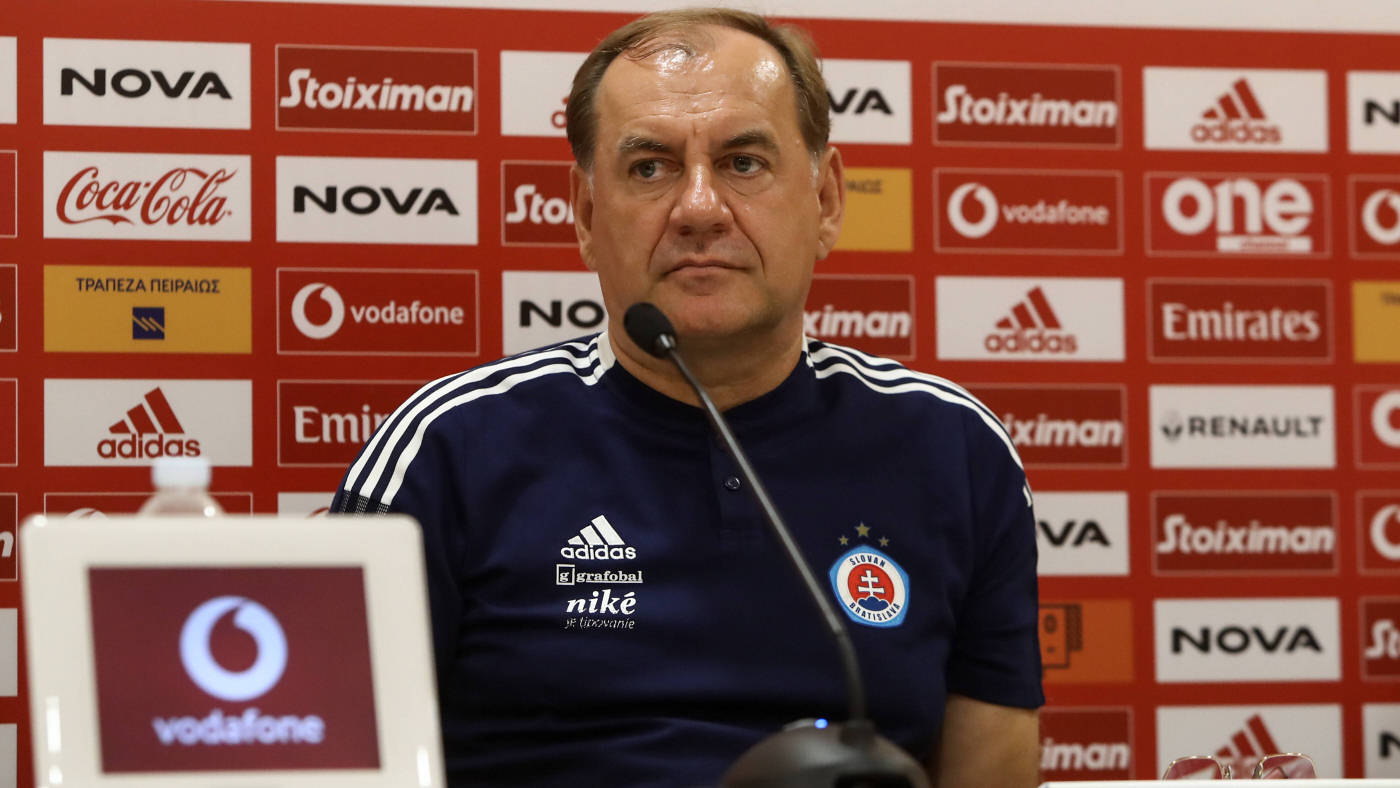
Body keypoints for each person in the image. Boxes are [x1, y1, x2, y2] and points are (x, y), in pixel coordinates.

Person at [333, 8, 1043, 785]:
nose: (700, 207)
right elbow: (329, 757)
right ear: (585, 215)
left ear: (827, 199)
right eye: (650, 168)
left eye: (743, 162)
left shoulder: (954, 449)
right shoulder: (447, 450)